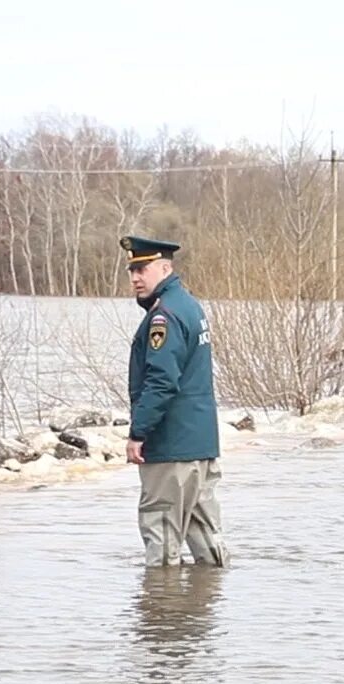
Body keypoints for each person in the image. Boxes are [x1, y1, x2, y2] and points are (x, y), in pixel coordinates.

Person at [122, 234, 228, 568]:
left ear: (165, 268)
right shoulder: (190, 306)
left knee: (162, 541)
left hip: (171, 449)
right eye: (132, 270)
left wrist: (138, 433)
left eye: (144, 268)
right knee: (208, 542)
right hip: (201, 446)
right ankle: (206, 613)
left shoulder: (163, 316)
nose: (136, 277)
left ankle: (162, 617)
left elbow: (162, 381)